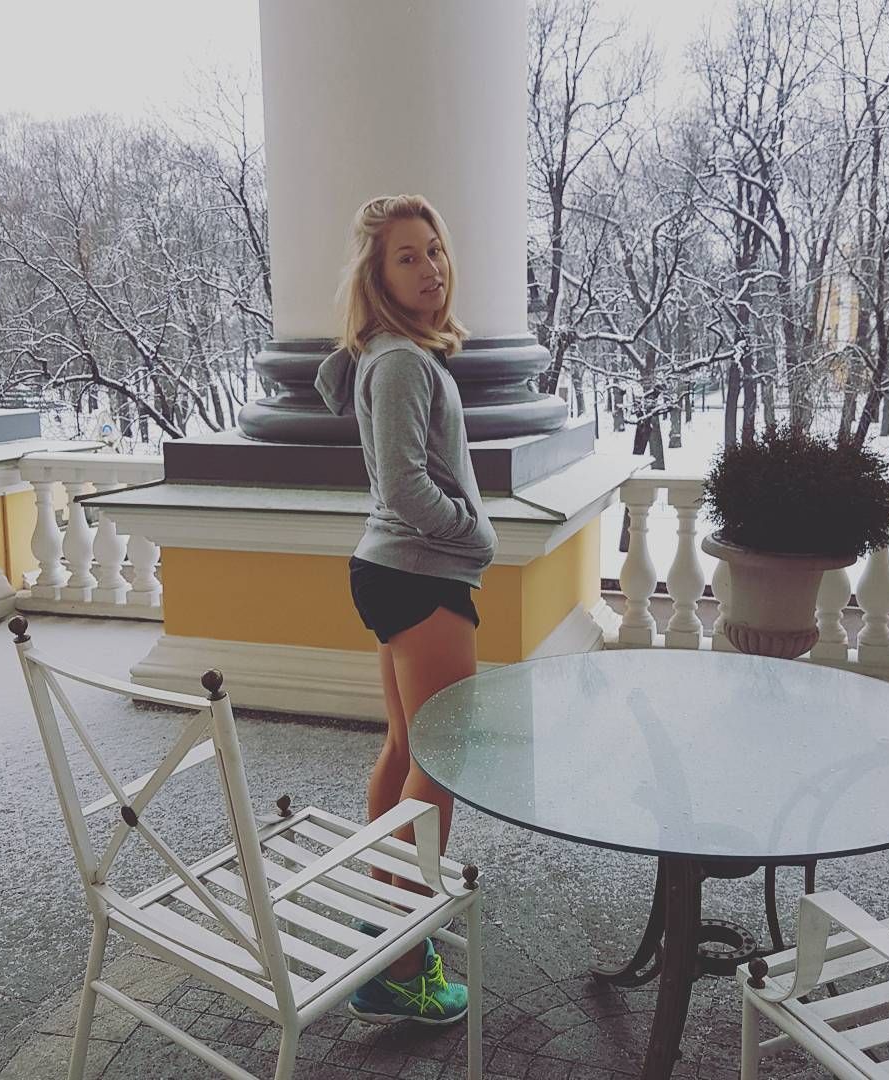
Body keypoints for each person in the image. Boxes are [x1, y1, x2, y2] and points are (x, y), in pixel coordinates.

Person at [315, 194, 497, 1026]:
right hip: (420, 573)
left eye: (434, 250)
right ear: (377, 276)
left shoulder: (398, 356)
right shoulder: (399, 363)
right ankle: (402, 957)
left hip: (396, 571)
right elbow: (403, 486)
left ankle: (381, 929)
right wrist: (473, 532)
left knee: (405, 748)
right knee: (442, 759)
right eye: (407, 257)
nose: (430, 268)